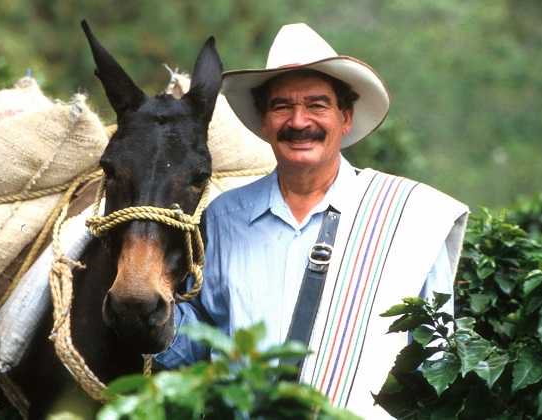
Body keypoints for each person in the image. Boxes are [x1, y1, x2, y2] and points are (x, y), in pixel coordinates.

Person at [155, 23, 469, 418]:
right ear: (264, 121)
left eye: (317, 105)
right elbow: (196, 345)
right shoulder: (223, 217)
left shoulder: (411, 218)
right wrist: (149, 317)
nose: (299, 121)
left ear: (345, 117)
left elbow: (437, 363)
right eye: (281, 106)